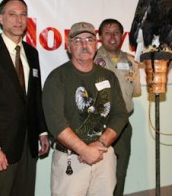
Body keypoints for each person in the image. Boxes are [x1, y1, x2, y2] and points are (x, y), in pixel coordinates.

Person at [42, 22, 129, 195]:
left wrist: (101, 143)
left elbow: (120, 115)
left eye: (89, 39)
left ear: (96, 45)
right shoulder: (57, 78)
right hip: (71, 160)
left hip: (103, 156)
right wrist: (84, 150)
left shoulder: (108, 77)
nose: (84, 45)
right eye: (77, 40)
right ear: (68, 47)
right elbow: (55, 122)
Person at [0, 0, 50, 196]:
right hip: (0, 146)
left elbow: (35, 97)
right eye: (12, 14)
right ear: (1, 18)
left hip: (28, 144)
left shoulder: (32, 53)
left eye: (22, 15)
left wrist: (42, 132)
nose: (18, 20)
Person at [95, 18, 141, 196]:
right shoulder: (91, 60)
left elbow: (135, 92)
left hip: (122, 125)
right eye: (107, 32)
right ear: (100, 37)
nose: (112, 36)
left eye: (116, 32)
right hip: (97, 126)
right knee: (96, 173)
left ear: (122, 36)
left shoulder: (131, 61)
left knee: (120, 172)